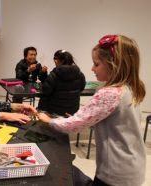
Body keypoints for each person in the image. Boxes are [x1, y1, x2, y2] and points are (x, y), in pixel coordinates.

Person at [38, 34, 146, 186]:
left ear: (114, 65)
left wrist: (49, 120)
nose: (92, 68)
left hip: (115, 173)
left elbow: (73, 126)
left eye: (96, 64)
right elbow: (118, 125)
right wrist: (86, 118)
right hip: (133, 168)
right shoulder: (130, 89)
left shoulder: (109, 93)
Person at [38, 50, 86, 116]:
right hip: (72, 111)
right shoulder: (80, 74)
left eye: (55, 58)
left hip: (54, 112)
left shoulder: (54, 75)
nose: (54, 61)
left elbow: (46, 90)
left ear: (59, 60)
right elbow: (82, 88)